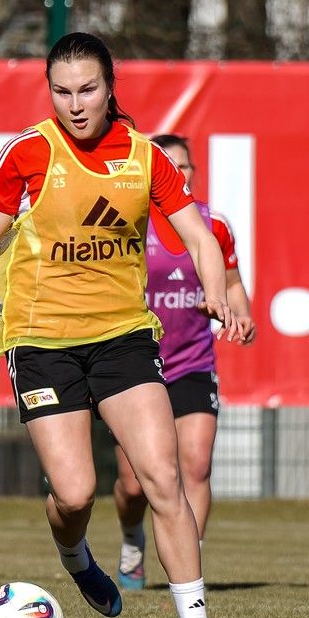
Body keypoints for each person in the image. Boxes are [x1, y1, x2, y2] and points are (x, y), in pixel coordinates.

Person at [0, 31, 237, 618]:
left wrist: (215, 291)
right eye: (62, 91)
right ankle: (75, 553)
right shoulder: (26, 154)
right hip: (40, 343)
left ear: (111, 89)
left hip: (124, 339)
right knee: (77, 493)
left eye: (88, 89)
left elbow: (199, 236)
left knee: (163, 476)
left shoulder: (145, 157)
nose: (76, 104)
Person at [111, 133, 255, 588]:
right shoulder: (128, 221)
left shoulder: (212, 225)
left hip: (193, 363)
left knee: (195, 465)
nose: (180, 173)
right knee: (134, 484)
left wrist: (242, 314)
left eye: (186, 166)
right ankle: (132, 538)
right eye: (169, 165)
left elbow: (231, 283)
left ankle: (187, 567)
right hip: (135, 364)